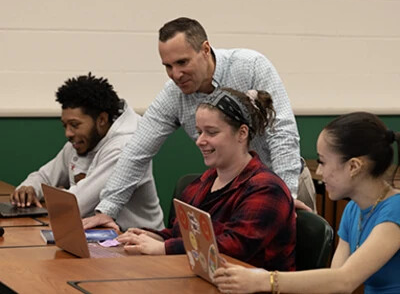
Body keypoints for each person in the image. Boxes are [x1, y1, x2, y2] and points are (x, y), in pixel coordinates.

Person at [84, 16, 312, 230]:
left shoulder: (250, 66)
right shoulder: (173, 94)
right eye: (168, 66)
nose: (176, 74)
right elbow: (137, 150)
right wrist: (108, 209)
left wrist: (285, 196)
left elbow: (282, 133)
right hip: (234, 193)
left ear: (205, 50)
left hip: (283, 184)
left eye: (182, 62)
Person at [214, 112, 400, 294]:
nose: (319, 171)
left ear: (353, 167)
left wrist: (264, 280)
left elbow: (345, 280)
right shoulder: (353, 209)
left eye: (323, 162)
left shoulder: (396, 210)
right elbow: (335, 282)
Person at [116, 88, 296, 270]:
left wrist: (163, 247)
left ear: (242, 133)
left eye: (211, 132)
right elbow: (186, 234)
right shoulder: (204, 181)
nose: (200, 140)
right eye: (199, 131)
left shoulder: (267, 188)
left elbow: (234, 246)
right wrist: (157, 237)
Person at [10, 73, 164, 231]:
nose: (68, 133)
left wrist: (60, 193)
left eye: (74, 125)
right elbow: (44, 177)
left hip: (140, 244)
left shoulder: (126, 146)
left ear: (102, 120)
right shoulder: (82, 141)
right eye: (65, 125)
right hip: (99, 236)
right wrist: (29, 188)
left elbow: (76, 205)